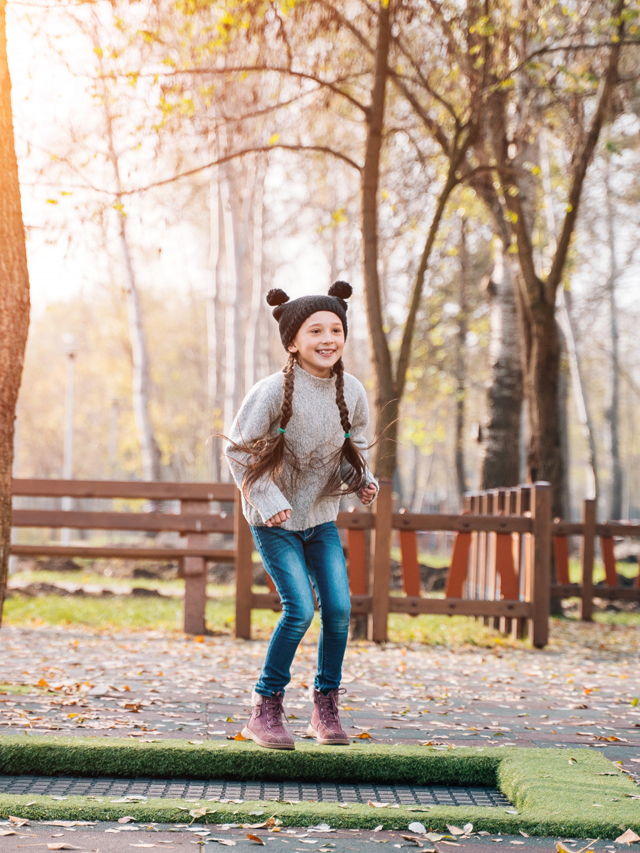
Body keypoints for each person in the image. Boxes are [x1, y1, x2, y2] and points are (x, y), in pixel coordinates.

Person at [224, 281, 378, 750]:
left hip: (320, 518)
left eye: (336, 328)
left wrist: (361, 480)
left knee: (338, 609)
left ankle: (324, 706)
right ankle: (265, 709)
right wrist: (269, 502)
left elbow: (351, 448)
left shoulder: (351, 391)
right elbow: (238, 454)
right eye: (315, 331)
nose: (328, 338)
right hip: (273, 523)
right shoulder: (269, 392)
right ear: (293, 341)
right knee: (299, 610)